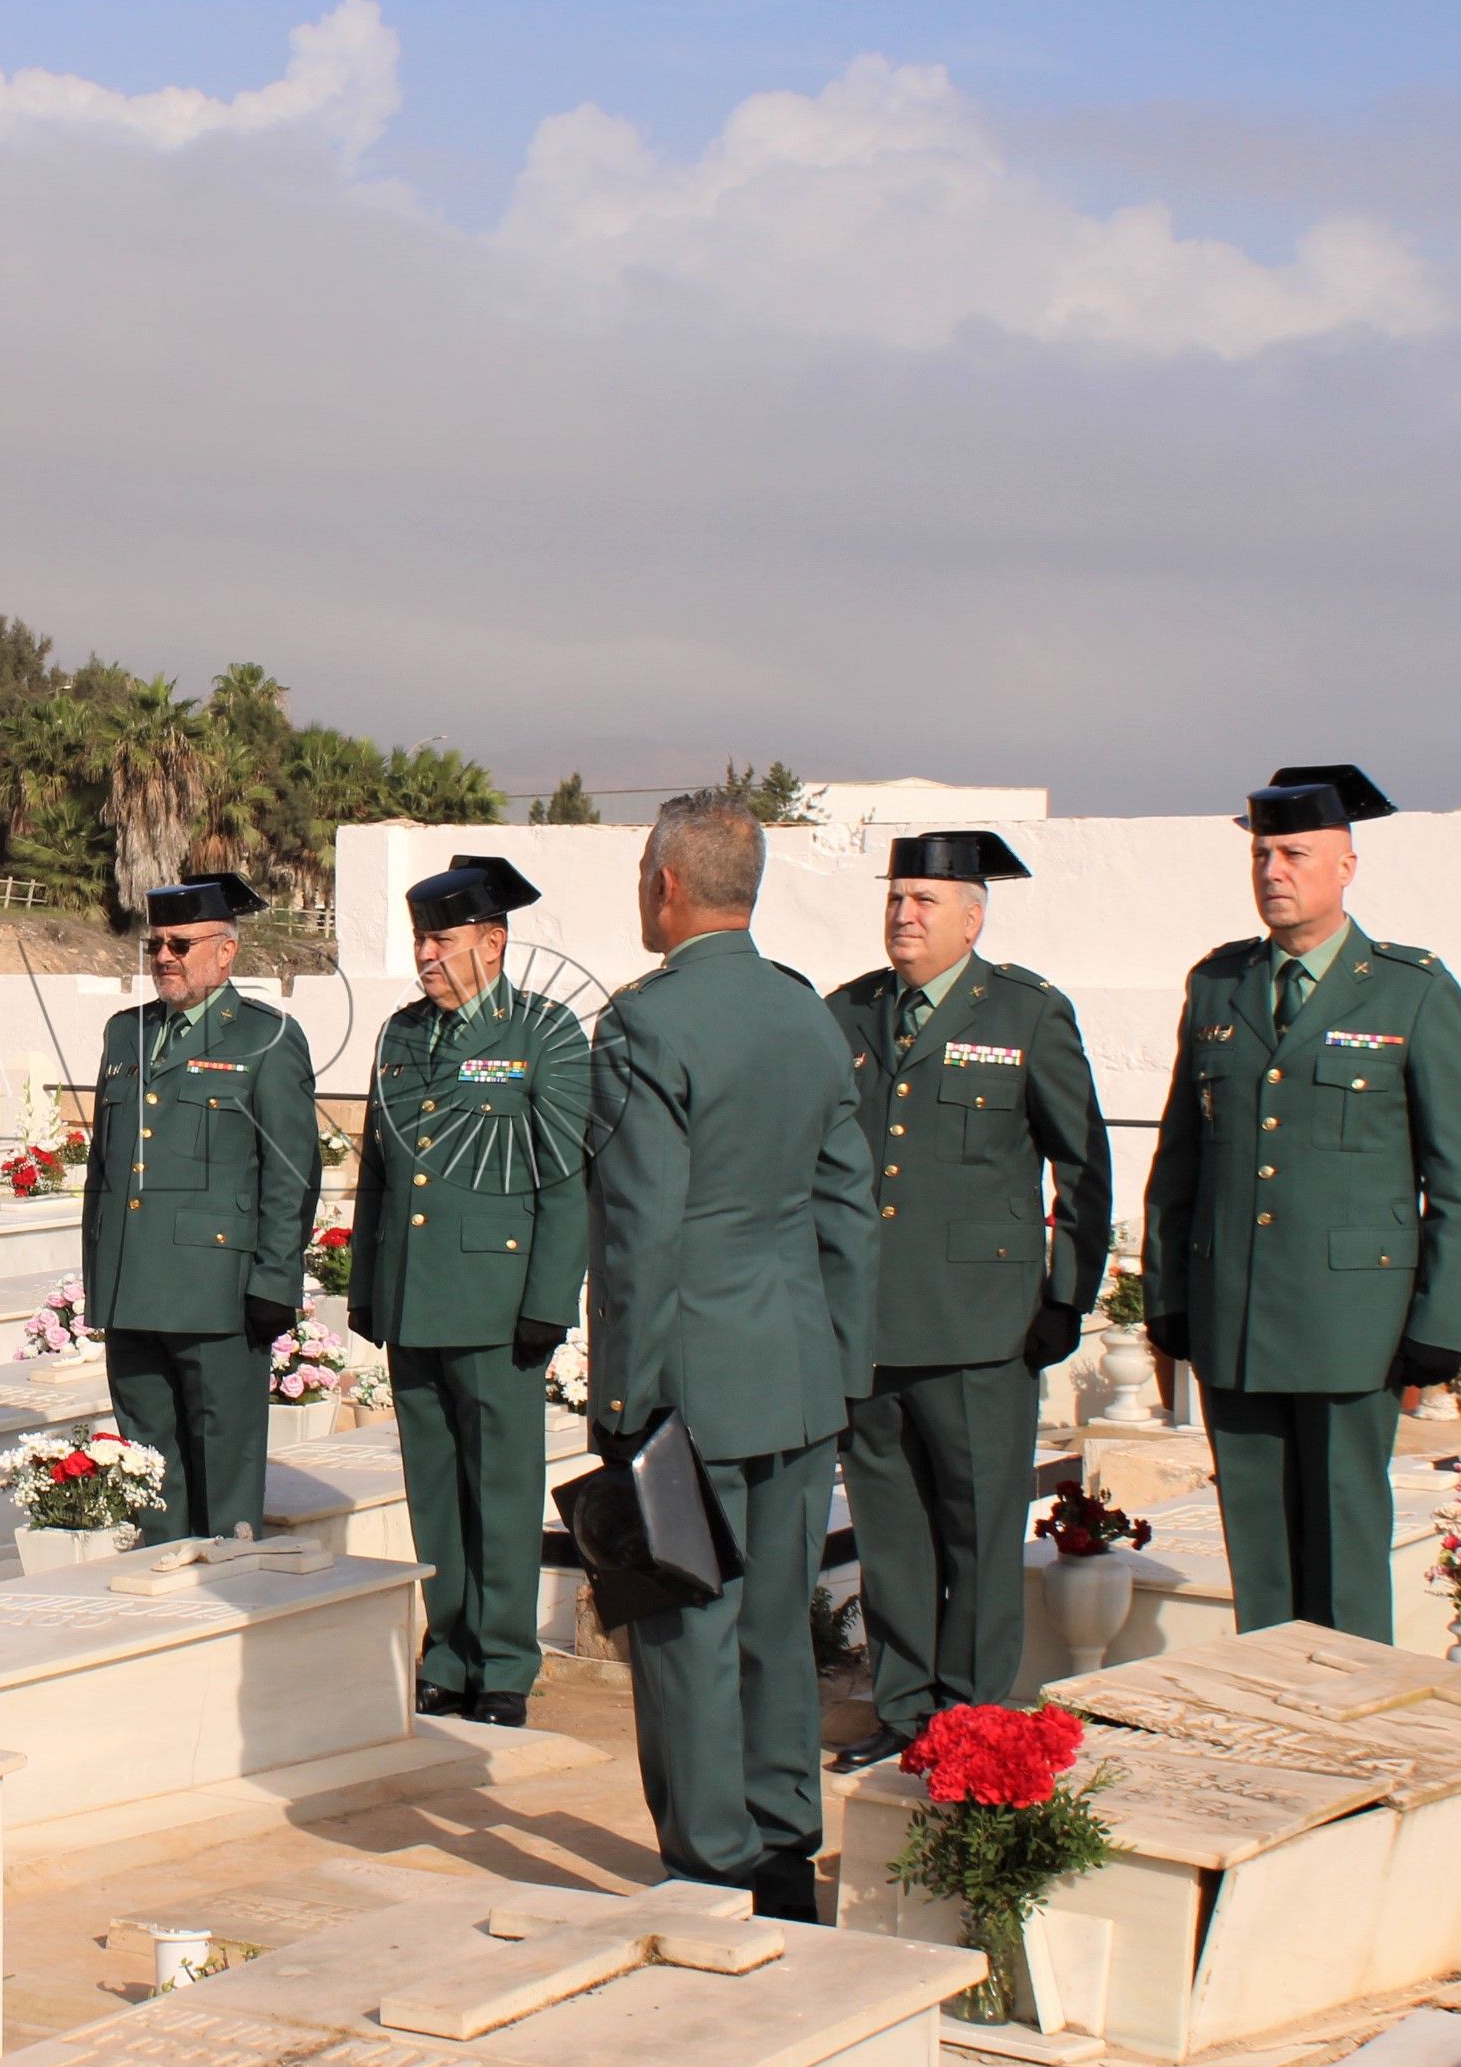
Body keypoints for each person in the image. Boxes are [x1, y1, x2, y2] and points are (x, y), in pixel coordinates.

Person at [586, 793, 877, 1921]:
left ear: (666, 885)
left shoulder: (646, 1026)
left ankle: (709, 1863)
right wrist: (840, 1369)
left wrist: (626, 1396)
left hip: (688, 1379)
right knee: (775, 1626)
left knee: (684, 1629)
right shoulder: (805, 1015)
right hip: (797, 1374)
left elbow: (641, 1231)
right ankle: (781, 1848)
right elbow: (847, 1211)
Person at [1141, 765, 1461, 1641]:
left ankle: (1350, 1727)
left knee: (1343, 1541)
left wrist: (1438, 1319)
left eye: (1293, 852)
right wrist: (1168, 1294)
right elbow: (1179, 1155)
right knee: (1256, 1549)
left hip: (1351, 1320)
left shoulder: (1408, 990)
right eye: (1261, 853)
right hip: (1236, 1312)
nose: (1272, 871)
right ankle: (1272, 1717)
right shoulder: (1217, 986)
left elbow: (1456, 1171)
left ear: (1346, 865)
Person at [823, 832, 1111, 1768]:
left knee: (980, 1536)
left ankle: (972, 1722)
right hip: (869, 1324)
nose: (903, 915)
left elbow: (1081, 1163)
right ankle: (903, 1711)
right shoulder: (850, 1010)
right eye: (896, 898)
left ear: (971, 916)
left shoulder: (1026, 1012)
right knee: (891, 1531)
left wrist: (1065, 1293)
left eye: (924, 901)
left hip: (981, 1327)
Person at [348, 852, 589, 1727]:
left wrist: (547, 1301)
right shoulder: (403, 1035)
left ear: (490, 943)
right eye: (419, 939)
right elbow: (379, 1172)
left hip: (497, 1303)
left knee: (502, 1485)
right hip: (415, 1297)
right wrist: (367, 1287)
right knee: (435, 1484)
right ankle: (445, 1649)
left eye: (440, 939)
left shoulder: (544, 1034)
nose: (424, 956)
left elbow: (564, 1181)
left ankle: (504, 1663)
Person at [79, 874, 321, 1541]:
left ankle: (227, 1598)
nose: (164, 956)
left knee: (223, 1471)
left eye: (180, 944)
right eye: (155, 943)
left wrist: (273, 1281)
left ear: (225, 950)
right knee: (149, 1470)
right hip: (133, 1289)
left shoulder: (263, 1037)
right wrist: (101, 1279)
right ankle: (164, 1606)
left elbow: (291, 1171)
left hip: (217, 1293)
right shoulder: (124, 1034)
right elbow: (103, 1168)